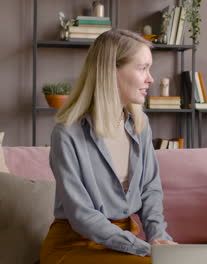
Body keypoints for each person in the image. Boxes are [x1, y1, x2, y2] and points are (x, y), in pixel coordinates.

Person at [40, 29, 176, 264]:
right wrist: (142, 248)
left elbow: (150, 191)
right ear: (110, 71)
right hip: (73, 244)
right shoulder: (67, 133)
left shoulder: (140, 125)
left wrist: (159, 240)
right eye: (142, 68)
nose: (151, 79)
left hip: (123, 243)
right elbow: (82, 216)